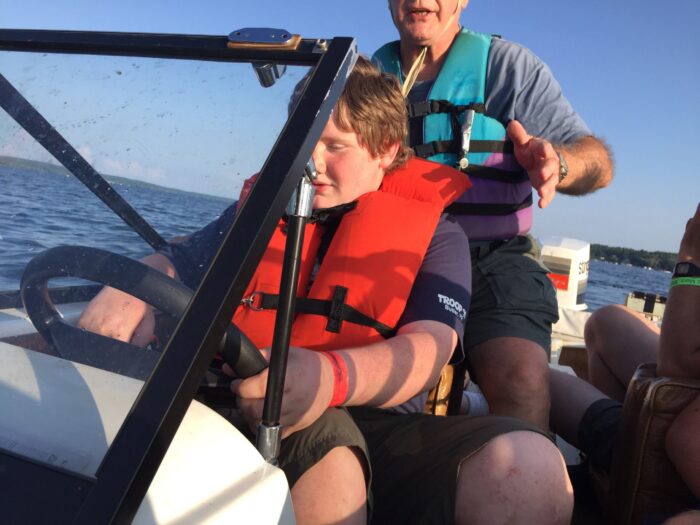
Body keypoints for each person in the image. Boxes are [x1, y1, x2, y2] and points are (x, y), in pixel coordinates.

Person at [79, 57, 573, 524]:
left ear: (384, 148)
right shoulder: (259, 210)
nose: (311, 164)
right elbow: (182, 261)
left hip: (373, 423)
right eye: (305, 142)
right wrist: (138, 281)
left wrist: (330, 377)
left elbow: (428, 350)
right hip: (230, 397)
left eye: (335, 147)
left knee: (530, 471)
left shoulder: (439, 238)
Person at [373, 0, 614, 430]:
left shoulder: (507, 68)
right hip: (393, 255)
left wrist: (559, 162)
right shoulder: (370, 76)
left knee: (520, 380)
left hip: (495, 258)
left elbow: (598, 163)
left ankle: (526, 482)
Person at [550, 203, 700, 510]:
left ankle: (619, 464)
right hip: (674, 410)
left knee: (534, 380)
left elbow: (678, 366)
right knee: (608, 324)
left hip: (678, 440)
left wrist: (690, 259)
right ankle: (614, 457)